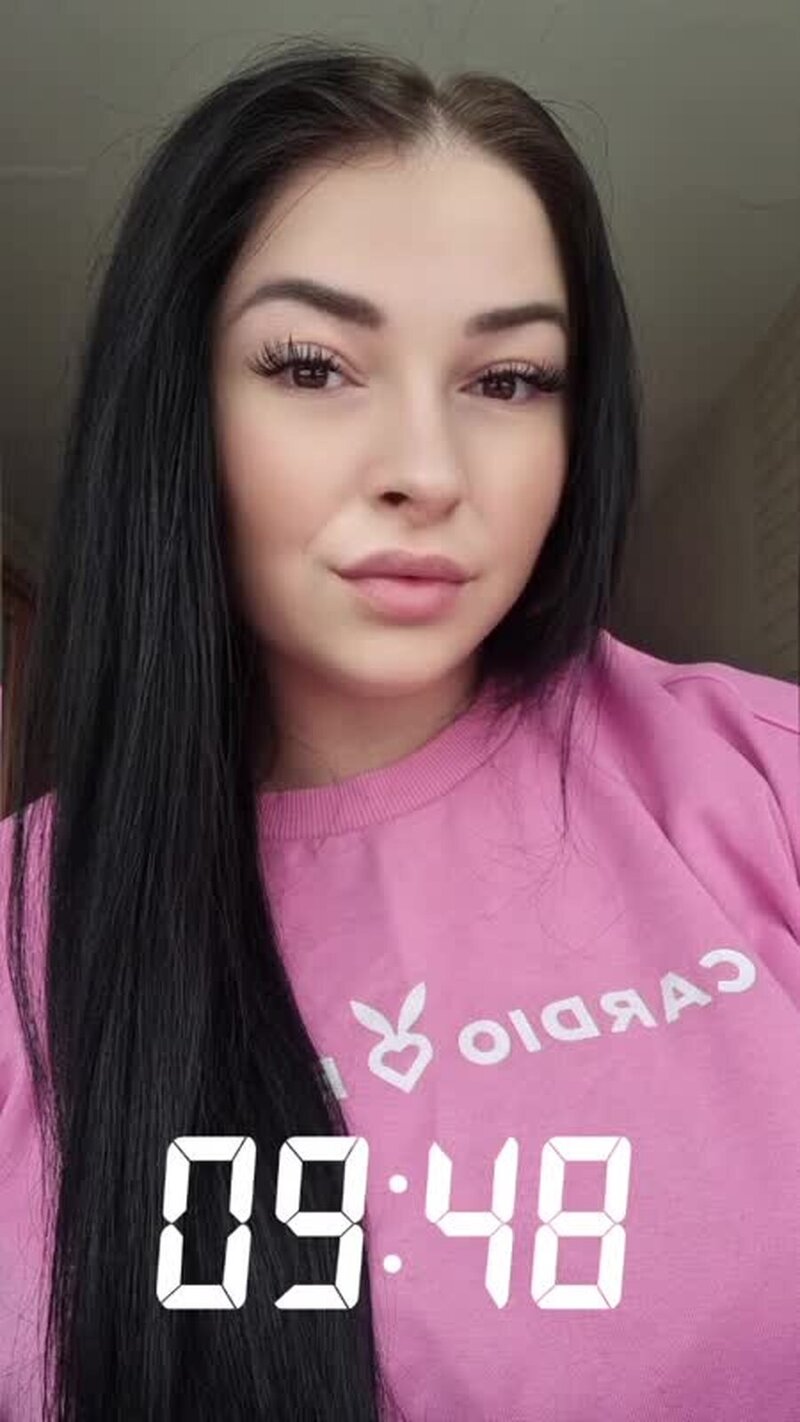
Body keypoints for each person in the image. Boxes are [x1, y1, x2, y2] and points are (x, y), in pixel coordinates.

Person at [1, 33, 798, 1422]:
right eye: (313, 366)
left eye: (510, 380)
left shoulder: (763, 776)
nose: (428, 472)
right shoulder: (22, 930)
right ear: (176, 405)